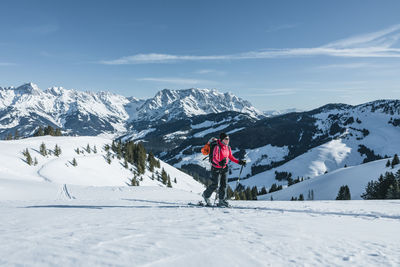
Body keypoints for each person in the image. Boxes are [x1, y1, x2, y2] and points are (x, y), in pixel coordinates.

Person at [202, 132, 246, 207]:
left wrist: (239, 162)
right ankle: (206, 195)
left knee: (224, 185)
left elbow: (231, 157)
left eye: (228, 139)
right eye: (226, 139)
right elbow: (214, 158)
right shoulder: (217, 147)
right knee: (215, 184)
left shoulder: (228, 147)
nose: (228, 140)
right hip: (216, 167)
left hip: (224, 168)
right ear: (222, 139)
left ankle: (222, 200)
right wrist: (220, 163)